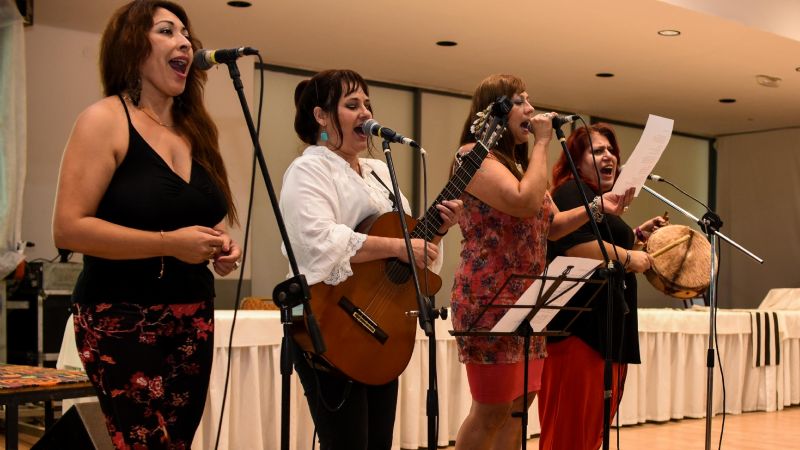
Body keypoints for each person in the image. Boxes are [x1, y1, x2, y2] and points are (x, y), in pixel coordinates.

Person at [52, 1, 241, 448]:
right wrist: (168, 244)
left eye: (186, 33)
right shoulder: (104, 120)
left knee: (176, 443)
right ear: (132, 46)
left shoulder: (196, 130)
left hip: (193, 313)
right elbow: (68, 229)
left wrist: (221, 245)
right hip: (120, 314)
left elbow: (192, 222)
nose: (185, 42)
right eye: (166, 31)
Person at [280, 69, 463, 450]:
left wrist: (437, 232)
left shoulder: (380, 173)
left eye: (368, 104)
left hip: (381, 332)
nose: (366, 112)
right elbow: (318, 242)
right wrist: (398, 248)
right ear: (321, 117)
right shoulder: (309, 169)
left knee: (378, 442)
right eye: (352, 105)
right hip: (331, 326)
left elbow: (410, 256)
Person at [450, 74, 635, 450]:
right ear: (496, 111)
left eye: (529, 100)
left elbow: (552, 226)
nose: (531, 109)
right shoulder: (472, 157)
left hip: (531, 299)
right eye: (519, 101)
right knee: (491, 409)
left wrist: (598, 207)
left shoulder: (518, 166)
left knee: (519, 406)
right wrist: (543, 142)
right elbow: (523, 202)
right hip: (490, 297)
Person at [538, 123, 668, 450]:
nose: (609, 155)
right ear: (575, 161)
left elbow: (604, 249)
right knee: (569, 434)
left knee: (591, 432)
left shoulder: (597, 200)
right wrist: (628, 256)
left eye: (612, 151)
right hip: (579, 331)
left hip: (604, 330)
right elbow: (576, 247)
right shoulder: (569, 192)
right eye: (598, 151)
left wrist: (637, 237)